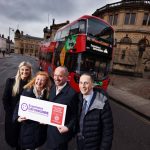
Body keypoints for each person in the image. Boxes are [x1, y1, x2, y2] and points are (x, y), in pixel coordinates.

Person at [13, 71, 51, 150]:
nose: (39, 82)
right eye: (38, 79)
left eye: (42, 80)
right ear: (34, 79)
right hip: (28, 129)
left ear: (46, 82)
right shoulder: (27, 91)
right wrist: (17, 118)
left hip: (40, 130)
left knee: (37, 146)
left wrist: (47, 120)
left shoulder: (48, 94)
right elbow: (18, 105)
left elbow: (49, 111)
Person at [76, 73, 113, 150]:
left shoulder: (102, 102)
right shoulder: (77, 98)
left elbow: (108, 131)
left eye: (86, 83)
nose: (82, 86)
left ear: (92, 85)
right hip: (80, 143)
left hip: (94, 146)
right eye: (81, 82)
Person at [46, 66, 78, 150]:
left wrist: (68, 127)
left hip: (61, 135)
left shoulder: (72, 94)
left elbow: (76, 115)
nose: (56, 78)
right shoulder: (52, 88)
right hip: (49, 133)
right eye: (55, 75)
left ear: (66, 77)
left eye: (60, 76)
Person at [2, 61, 32, 149]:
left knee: (23, 140)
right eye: (22, 69)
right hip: (13, 117)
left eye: (27, 70)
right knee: (14, 139)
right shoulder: (11, 81)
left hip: (26, 118)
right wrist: (12, 115)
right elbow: (5, 100)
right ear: (19, 70)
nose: (24, 72)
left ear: (30, 71)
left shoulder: (33, 83)